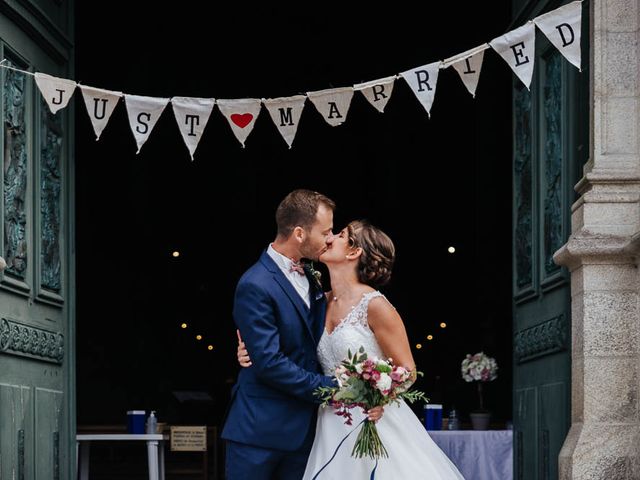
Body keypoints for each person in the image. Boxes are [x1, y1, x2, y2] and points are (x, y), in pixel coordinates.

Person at [238, 220, 465, 479]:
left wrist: (379, 399)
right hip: (328, 423)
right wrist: (249, 350)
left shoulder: (375, 306)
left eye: (341, 234)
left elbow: (408, 370)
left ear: (353, 252)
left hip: (375, 421)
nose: (330, 237)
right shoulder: (317, 302)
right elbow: (286, 340)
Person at [221, 190, 383, 480]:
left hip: (310, 431)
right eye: (325, 231)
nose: (330, 238)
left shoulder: (313, 278)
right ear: (299, 233)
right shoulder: (255, 284)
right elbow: (269, 362)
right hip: (260, 432)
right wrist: (333, 387)